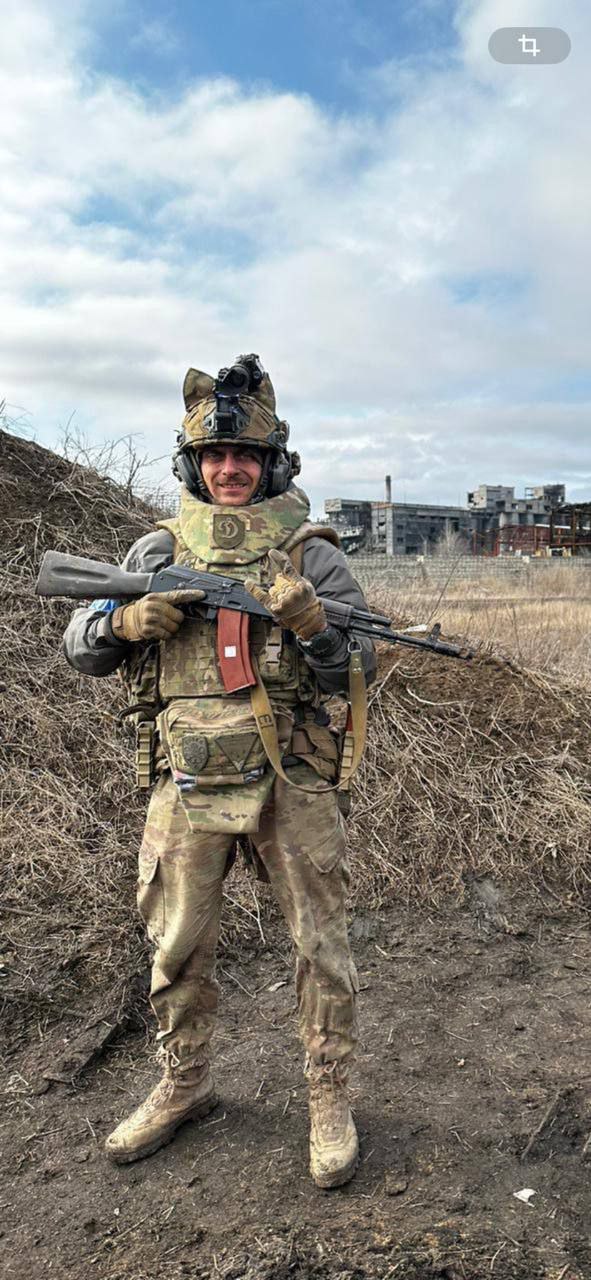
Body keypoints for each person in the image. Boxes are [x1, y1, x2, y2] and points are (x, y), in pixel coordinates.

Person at [63, 355, 375, 1188]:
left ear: (272, 465)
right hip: (187, 774)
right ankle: (184, 1082)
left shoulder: (309, 555)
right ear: (192, 464)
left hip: (291, 775)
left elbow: (362, 663)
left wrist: (313, 628)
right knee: (176, 941)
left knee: (320, 944)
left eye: (244, 457)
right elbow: (79, 644)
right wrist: (124, 623)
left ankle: (328, 1094)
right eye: (213, 456)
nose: (228, 469)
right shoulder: (158, 548)